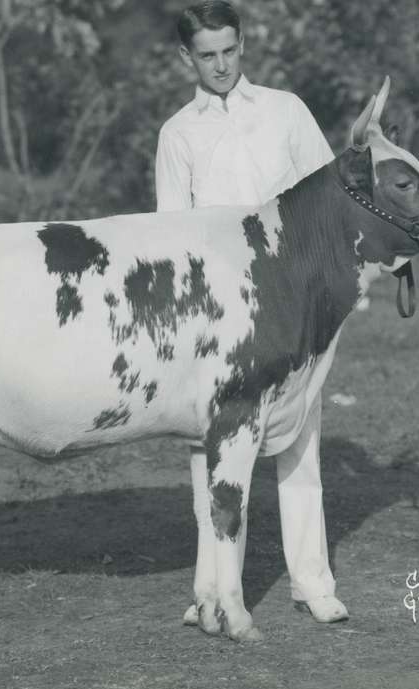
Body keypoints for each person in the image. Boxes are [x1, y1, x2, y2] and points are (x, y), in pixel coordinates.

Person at [156, 0, 348, 624]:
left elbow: (328, 198)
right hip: (217, 313)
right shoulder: (178, 133)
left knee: (299, 440)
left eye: (230, 50)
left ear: (243, 44)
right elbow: (172, 235)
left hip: (291, 302)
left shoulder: (286, 111)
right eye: (207, 55)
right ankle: (211, 587)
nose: (221, 65)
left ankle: (312, 584)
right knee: (208, 448)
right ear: (187, 57)